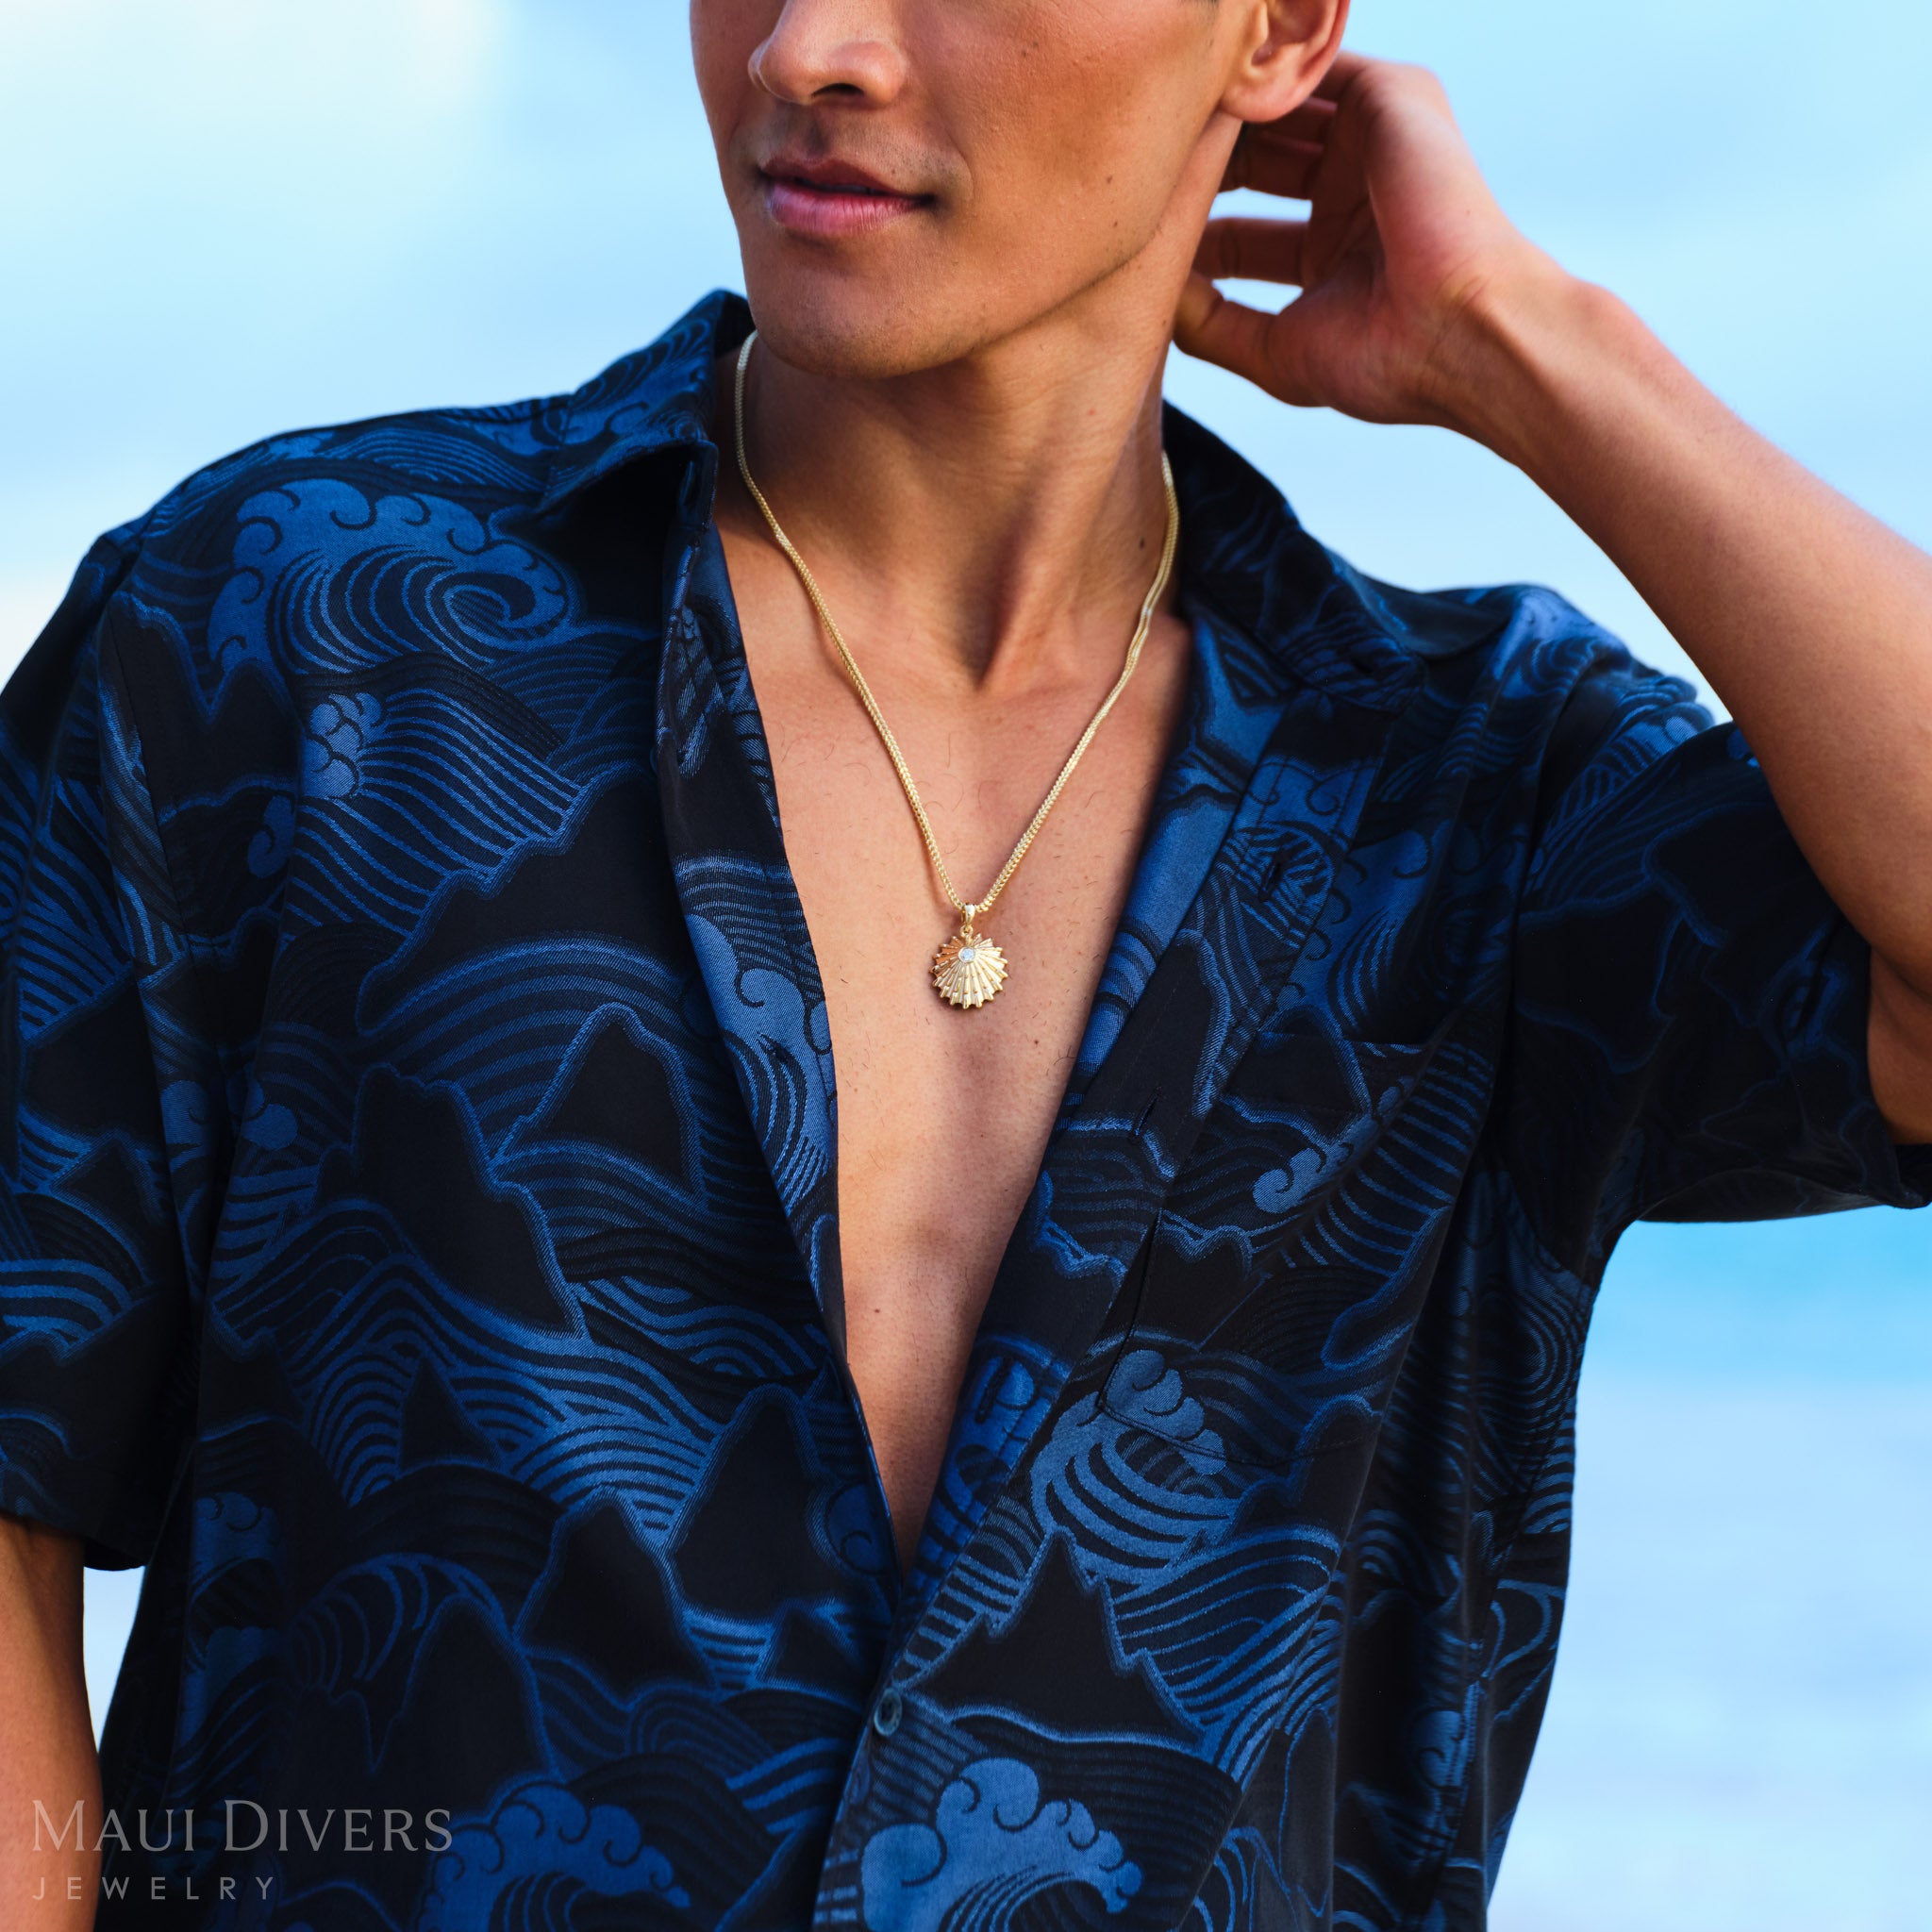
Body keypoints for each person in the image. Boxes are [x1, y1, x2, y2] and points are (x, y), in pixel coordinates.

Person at [2, 1, 1927, 1925]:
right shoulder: (301, 639)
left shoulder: (1475, 805)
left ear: (1277, 33)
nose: (810, 50)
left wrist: (1539, 352)